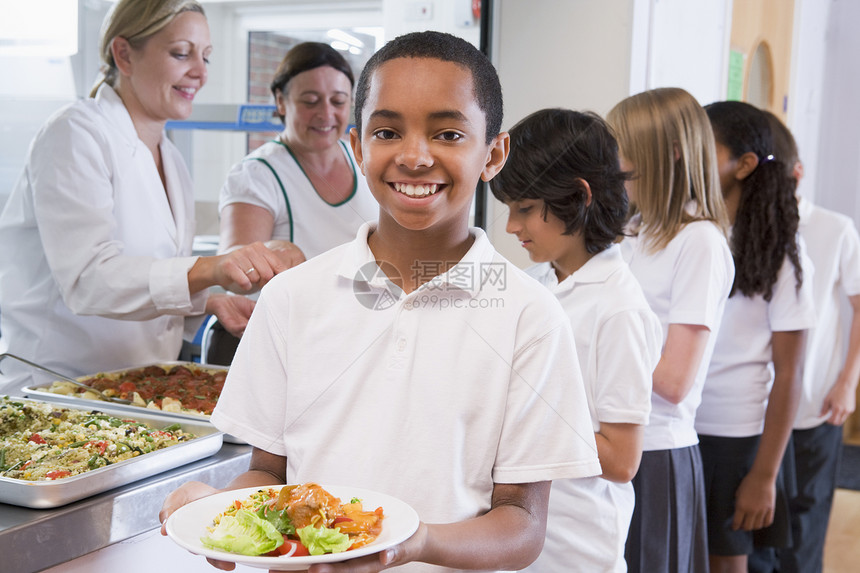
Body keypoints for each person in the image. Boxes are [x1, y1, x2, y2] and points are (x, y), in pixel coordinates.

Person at [159, 30, 602, 573]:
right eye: (388, 131)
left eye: (447, 133)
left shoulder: (530, 318)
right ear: (358, 145)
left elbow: (523, 526)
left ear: (494, 153)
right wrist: (222, 512)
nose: (415, 157)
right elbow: (268, 476)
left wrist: (414, 545)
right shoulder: (292, 298)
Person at [0, 0, 291, 392]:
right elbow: (89, 279)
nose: (200, 73)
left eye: (205, 57)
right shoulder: (75, 133)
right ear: (124, 54)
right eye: (181, 53)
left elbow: (144, 280)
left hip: (135, 388)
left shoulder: (170, 158)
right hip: (57, 388)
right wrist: (212, 268)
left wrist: (205, 303)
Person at [490, 108, 662, 572]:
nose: (511, 227)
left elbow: (622, 459)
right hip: (516, 532)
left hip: (576, 546)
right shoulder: (535, 281)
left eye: (524, 209)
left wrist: (516, 416)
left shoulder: (619, 310)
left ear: (579, 197)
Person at [606, 87, 735, 573]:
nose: (616, 165)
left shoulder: (699, 242)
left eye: (624, 152)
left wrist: (594, 351)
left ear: (669, 155)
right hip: (614, 440)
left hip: (658, 452)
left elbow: (675, 382)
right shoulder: (635, 233)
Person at [696, 101, 816, 573]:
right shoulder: (687, 229)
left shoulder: (782, 251)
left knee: (728, 561)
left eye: (706, 148)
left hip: (736, 437)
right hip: (676, 427)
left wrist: (765, 474)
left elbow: (790, 373)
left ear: (744, 165)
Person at [206, 41, 379, 364]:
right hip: (276, 347)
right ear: (281, 102)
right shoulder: (256, 175)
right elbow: (232, 271)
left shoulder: (365, 161)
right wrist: (272, 253)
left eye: (338, 101)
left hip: (350, 341)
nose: (326, 114)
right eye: (310, 101)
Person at [762, 111, 860, 572]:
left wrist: (848, 382)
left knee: (805, 529)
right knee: (762, 535)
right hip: (758, 409)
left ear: (797, 173)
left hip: (818, 402)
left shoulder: (835, 229)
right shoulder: (751, 229)